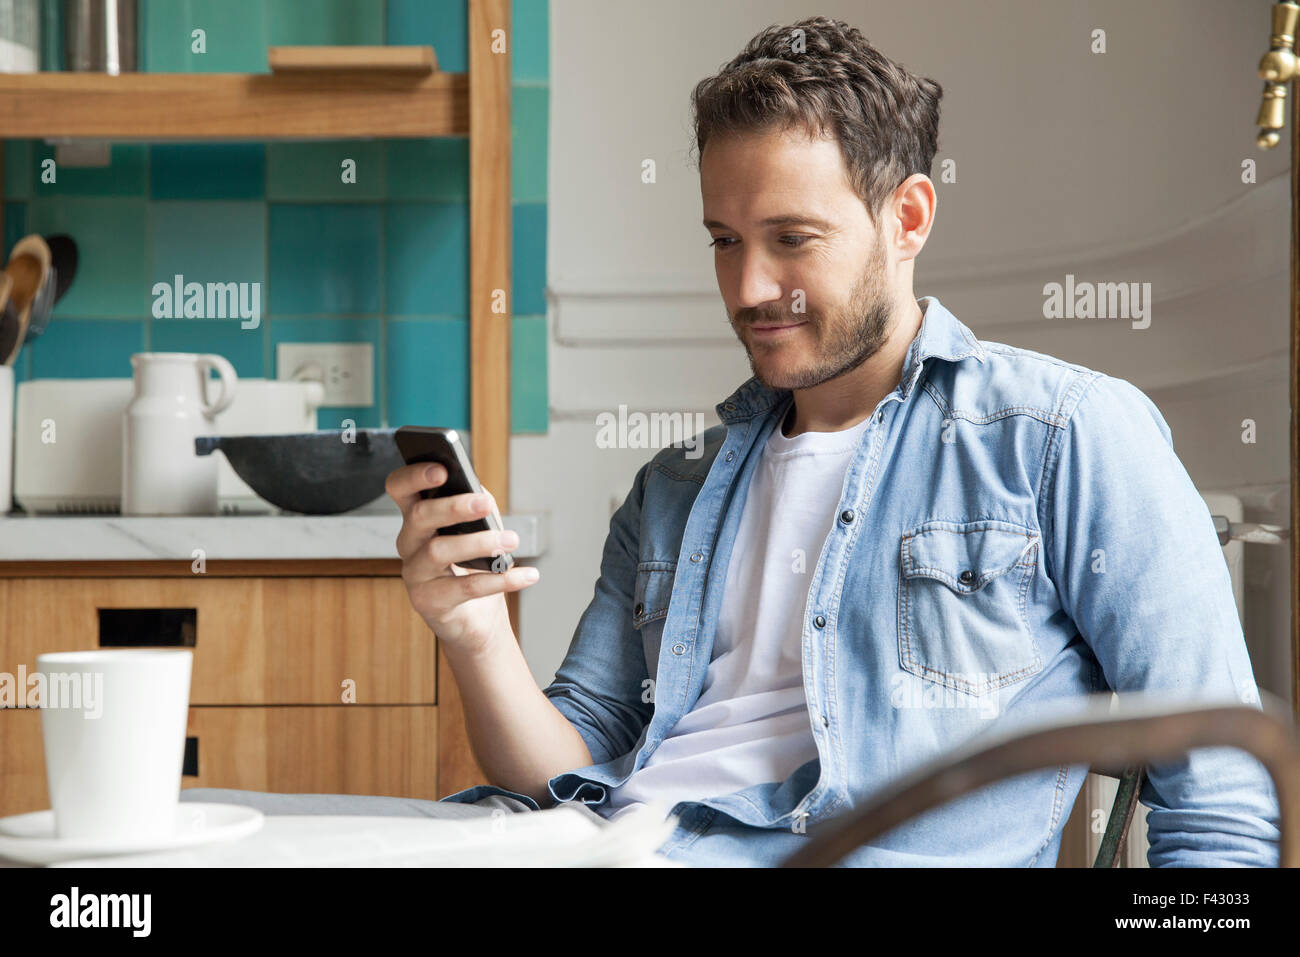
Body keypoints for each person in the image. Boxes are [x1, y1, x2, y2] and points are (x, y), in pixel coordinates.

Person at [184, 15, 1280, 867]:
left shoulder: (1062, 437)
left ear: (907, 219)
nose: (748, 289)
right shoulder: (675, 486)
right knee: (192, 842)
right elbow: (556, 770)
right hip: (590, 846)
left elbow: (1220, 786)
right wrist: (471, 632)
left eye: (791, 240)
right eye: (722, 240)